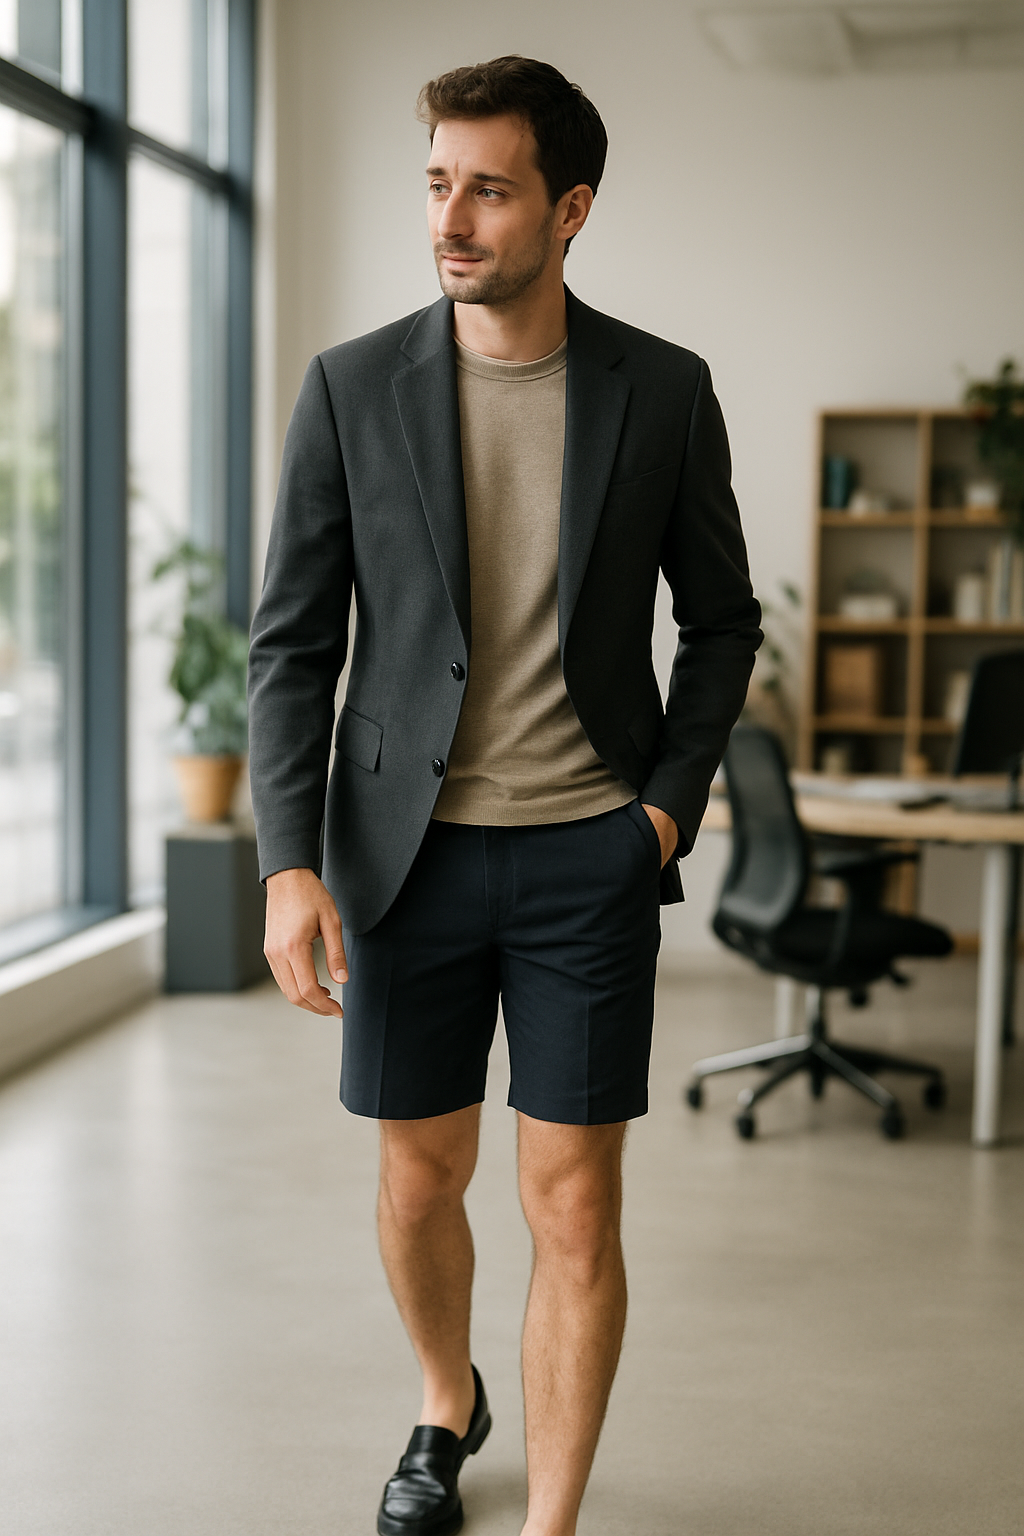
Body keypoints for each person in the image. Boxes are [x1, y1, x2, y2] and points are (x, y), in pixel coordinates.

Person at [248, 55, 761, 1536]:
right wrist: (289, 864)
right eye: (436, 184)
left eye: (489, 188)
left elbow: (722, 623)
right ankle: (443, 1399)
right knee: (422, 1182)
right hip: (402, 860)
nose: (451, 219)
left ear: (569, 209)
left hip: (589, 856)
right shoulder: (352, 387)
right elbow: (293, 646)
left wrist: (662, 813)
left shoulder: (663, 391)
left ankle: (550, 1521)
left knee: (574, 1204)